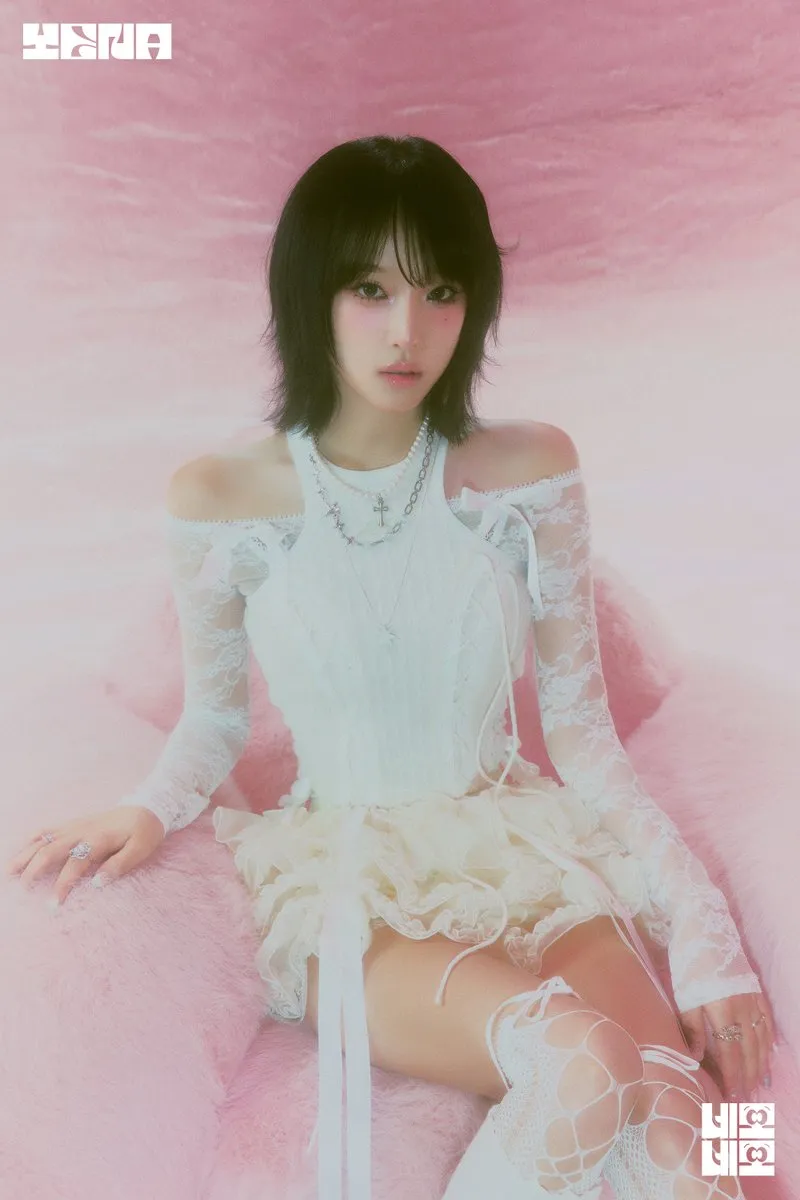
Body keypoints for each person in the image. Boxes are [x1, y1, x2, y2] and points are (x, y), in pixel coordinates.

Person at [6, 135, 777, 1200]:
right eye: (370, 289)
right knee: (580, 1064)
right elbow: (214, 721)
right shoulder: (219, 495)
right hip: (351, 879)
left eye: (440, 290)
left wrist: (708, 944)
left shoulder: (531, 469)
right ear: (308, 294)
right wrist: (146, 808)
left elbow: (585, 732)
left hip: (530, 851)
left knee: (705, 1139)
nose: (408, 330)